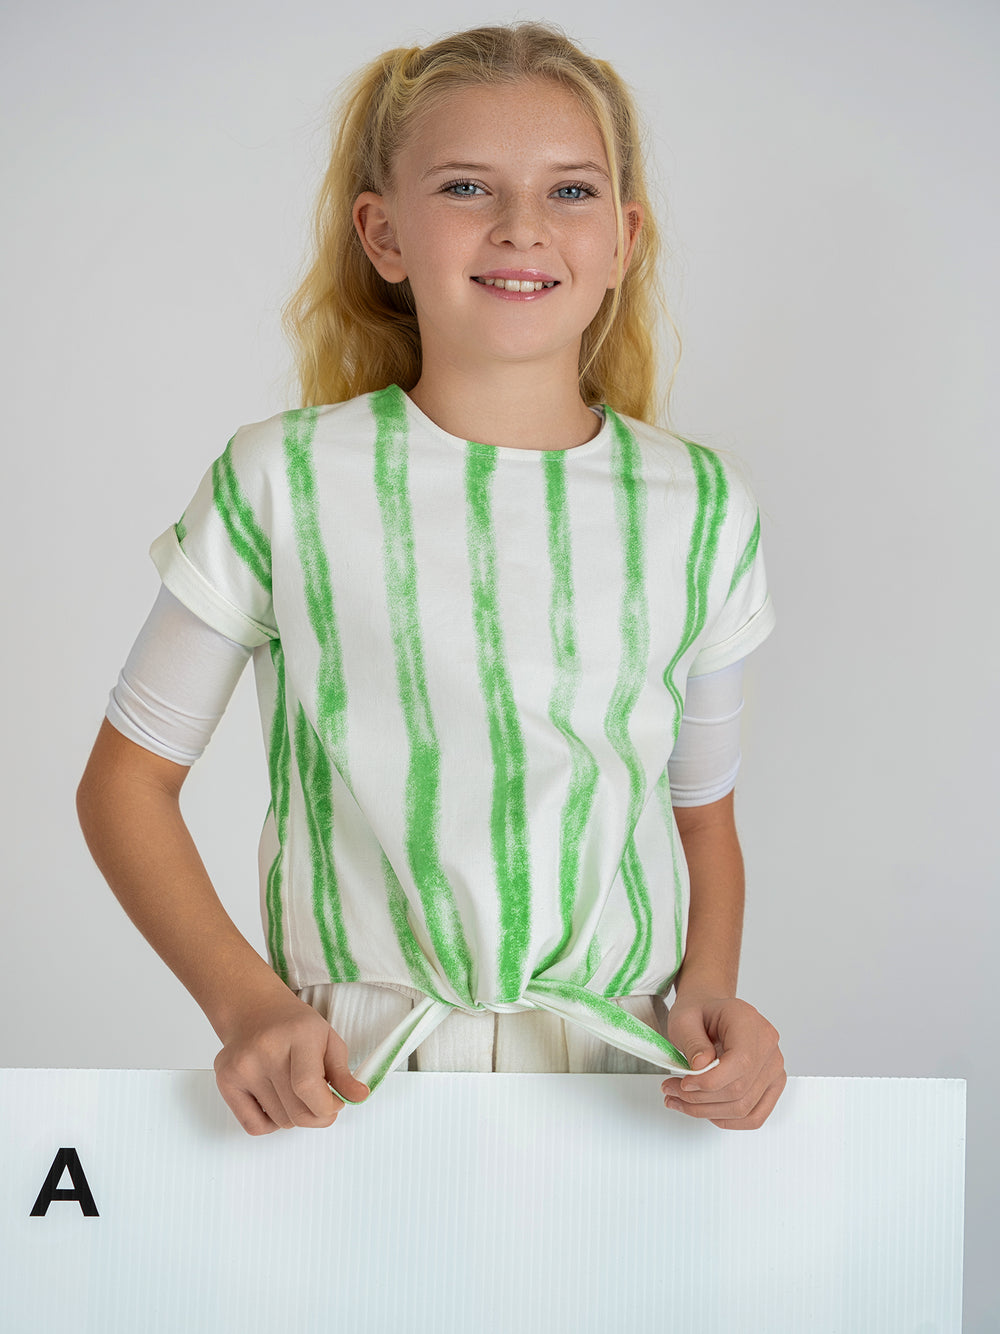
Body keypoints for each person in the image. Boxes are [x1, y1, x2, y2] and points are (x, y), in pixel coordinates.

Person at [76, 20, 786, 1137]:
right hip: (347, 1076)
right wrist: (247, 1006)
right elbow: (124, 784)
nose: (521, 226)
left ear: (623, 239)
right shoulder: (283, 480)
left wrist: (712, 992)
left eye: (570, 191)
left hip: (622, 1080)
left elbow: (701, 814)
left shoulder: (701, 504)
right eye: (465, 186)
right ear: (384, 234)